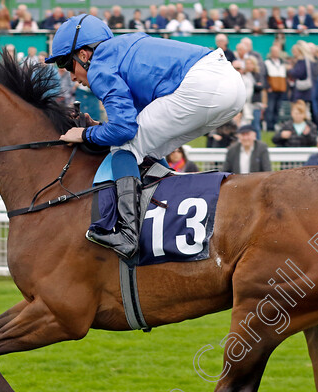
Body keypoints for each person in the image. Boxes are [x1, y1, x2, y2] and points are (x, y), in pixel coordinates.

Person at [47, 14, 244, 259]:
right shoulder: (121, 49)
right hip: (232, 85)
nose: (72, 77)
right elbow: (135, 119)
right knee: (149, 149)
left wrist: (86, 134)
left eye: (67, 65)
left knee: (125, 147)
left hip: (203, 85)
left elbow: (124, 131)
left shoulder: (99, 66)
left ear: (84, 55)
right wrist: (101, 129)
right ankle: (165, 216)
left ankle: (128, 234)